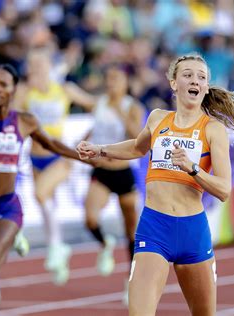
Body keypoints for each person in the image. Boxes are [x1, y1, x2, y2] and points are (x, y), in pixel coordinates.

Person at [77, 53, 234, 315]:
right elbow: (137, 148)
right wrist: (99, 149)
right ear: (174, 83)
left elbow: (224, 189)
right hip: (154, 229)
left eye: (201, 77)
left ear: (206, 87)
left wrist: (193, 169)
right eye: (187, 75)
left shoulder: (213, 130)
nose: (194, 80)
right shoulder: (157, 118)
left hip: (192, 232)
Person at [0, 63, 92, 315]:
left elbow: (52, 144)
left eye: (3, 84)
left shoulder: (25, 121)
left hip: (7, 205)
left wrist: (83, 155)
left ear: (14, 89)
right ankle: (11, 241)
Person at [13, 49, 96, 284]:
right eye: (32, 65)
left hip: (59, 155)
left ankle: (56, 246)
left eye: (40, 64)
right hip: (35, 156)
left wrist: (89, 135)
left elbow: (95, 104)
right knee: (47, 202)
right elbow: (11, 116)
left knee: (40, 194)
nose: (36, 69)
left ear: (50, 66)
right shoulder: (24, 92)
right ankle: (58, 251)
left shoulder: (65, 90)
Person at [82, 65, 144, 287]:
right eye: (108, 79)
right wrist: (83, 144)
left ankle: (131, 276)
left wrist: (120, 111)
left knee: (131, 230)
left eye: (116, 79)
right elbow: (94, 130)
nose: (111, 84)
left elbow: (139, 138)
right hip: (102, 172)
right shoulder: (99, 104)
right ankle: (105, 243)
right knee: (90, 219)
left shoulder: (132, 106)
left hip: (123, 173)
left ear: (125, 82)